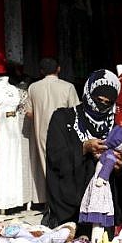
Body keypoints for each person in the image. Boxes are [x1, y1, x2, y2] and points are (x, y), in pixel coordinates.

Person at [44, 69, 122, 239]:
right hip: (68, 211)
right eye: (98, 100)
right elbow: (55, 158)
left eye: (107, 102)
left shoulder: (115, 128)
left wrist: (118, 166)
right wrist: (83, 148)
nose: (101, 105)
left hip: (100, 213)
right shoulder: (63, 118)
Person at [26, 58, 80, 205]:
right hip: (64, 132)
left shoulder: (33, 88)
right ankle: (62, 202)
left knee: (46, 166)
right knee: (65, 165)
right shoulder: (68, 87)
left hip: (42, 131)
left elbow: (29, 113)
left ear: (42, 71)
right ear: (59, 69)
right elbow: (76, 111)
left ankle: (51, 202)